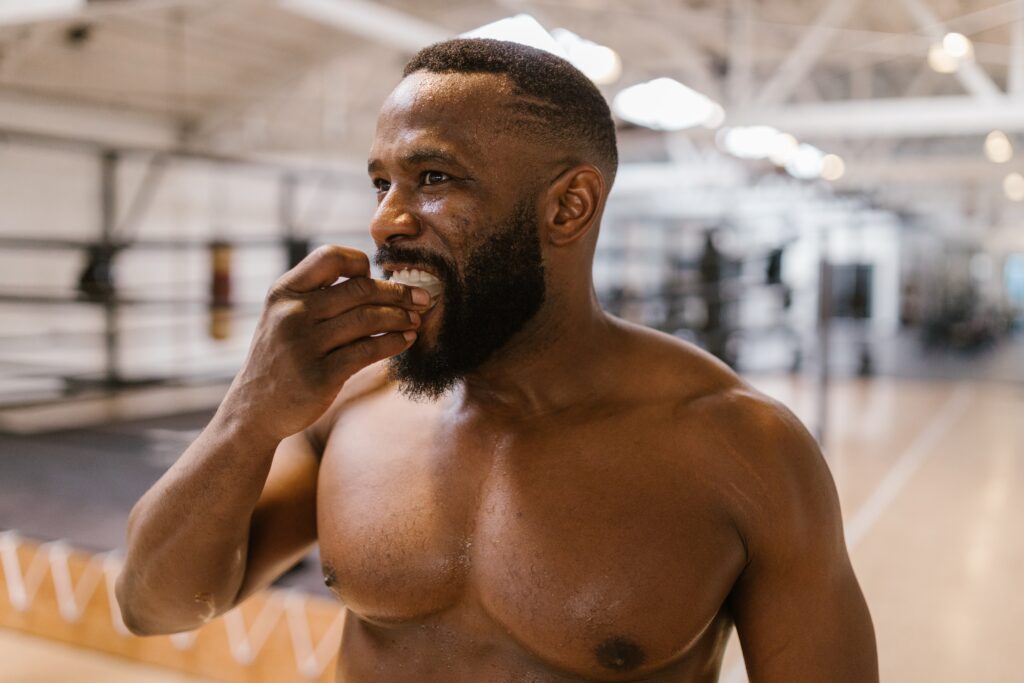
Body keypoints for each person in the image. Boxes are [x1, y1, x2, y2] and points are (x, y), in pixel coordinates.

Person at [116, 39, 878, 682]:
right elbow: (153, 605)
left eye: (434, 179)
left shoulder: (744, 449)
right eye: (382, 182)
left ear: (568, 207)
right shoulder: (354, 405)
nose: (386, 219)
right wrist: (251, 412)